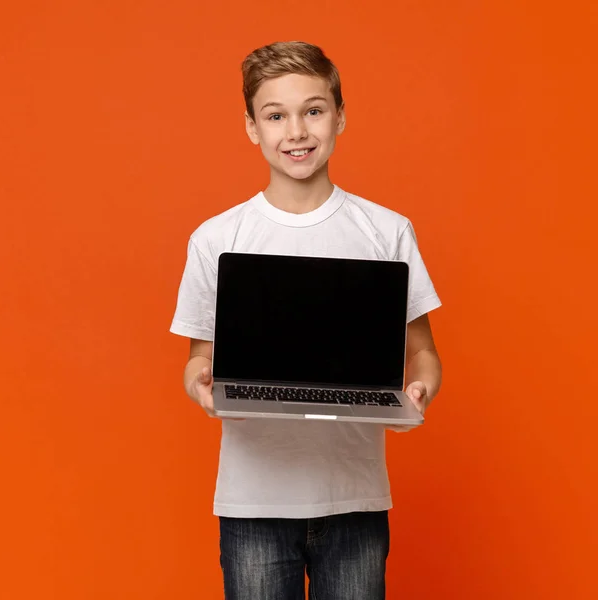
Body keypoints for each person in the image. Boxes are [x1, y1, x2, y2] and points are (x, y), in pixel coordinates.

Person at [170, 40, 442, 600]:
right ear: (252, 127)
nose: (296, 130)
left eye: (313, 110)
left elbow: (422, 351)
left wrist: (420, 386)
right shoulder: (218, 238)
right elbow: (200, 355)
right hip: (252, 503)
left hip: (355, 498)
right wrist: (200, 382)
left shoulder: (386, 231)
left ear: (340, 116)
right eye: (276, 116)